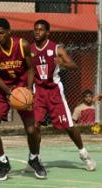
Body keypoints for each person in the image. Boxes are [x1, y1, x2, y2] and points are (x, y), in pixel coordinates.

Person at [0, 18, 47, 181]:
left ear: (9, 32)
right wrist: (7, 91)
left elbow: (30, 69)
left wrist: (28, 90)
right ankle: (3, 162)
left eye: (1, 33)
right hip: (2, 90)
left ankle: (34, 159)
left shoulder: (22, 45)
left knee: (32, 129)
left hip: (21, 88)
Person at [30, 19, 96, 171]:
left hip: (54, 93)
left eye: (40, 30)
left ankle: (84, 154)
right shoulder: (30, 49)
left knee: (69, 126)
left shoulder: (57, 49)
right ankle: (35, 158)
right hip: (38, 91)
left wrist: (62, 63)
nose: (37, 32)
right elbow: (29, 71)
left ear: (47, 32)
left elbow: (74, 65)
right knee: (34, 126)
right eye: (35, 29)